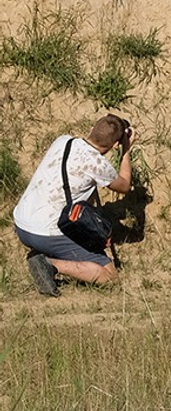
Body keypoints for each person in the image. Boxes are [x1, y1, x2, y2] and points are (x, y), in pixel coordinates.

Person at [12, 115, 133, 296]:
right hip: (46, 233)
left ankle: (46, 253)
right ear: (115, 145)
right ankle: (49, 264)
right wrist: (126, 150)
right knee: (109, 276)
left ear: (92, 127)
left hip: (21, 223)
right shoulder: (98, 164)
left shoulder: (63, 141)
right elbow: (124, 186)